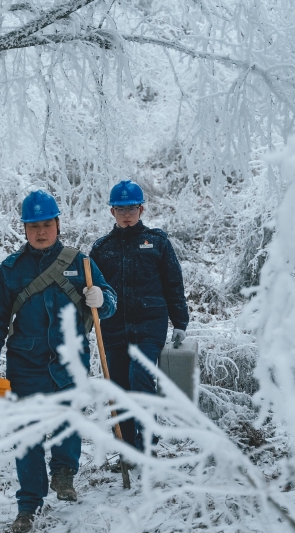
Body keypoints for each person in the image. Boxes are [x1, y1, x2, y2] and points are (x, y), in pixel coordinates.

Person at [0, 190, 116, 533]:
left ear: (58, 224)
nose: (41, 232)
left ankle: (65, 472)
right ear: (24, 229)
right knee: (28, 434)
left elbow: (108, 301)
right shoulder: (9, 270)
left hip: (71, 360)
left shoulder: (80, 263)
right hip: (26, 363)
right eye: (33, 226)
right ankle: (28, 503)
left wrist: (102, 298)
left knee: (69, 419)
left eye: (47, 224)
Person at [89, 179, 188, 452]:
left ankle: (146, 442)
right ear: (112, 212)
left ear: (142, 209)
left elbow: (173, 283)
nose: (127, 214)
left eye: (132, 208)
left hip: (149, 324)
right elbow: (91, 290)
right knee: (119, 384)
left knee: (140, 377)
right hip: (113, 327)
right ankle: (127, 444)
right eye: (121, 209)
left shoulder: (157, 242)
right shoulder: (101, 248)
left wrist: (180, 322)